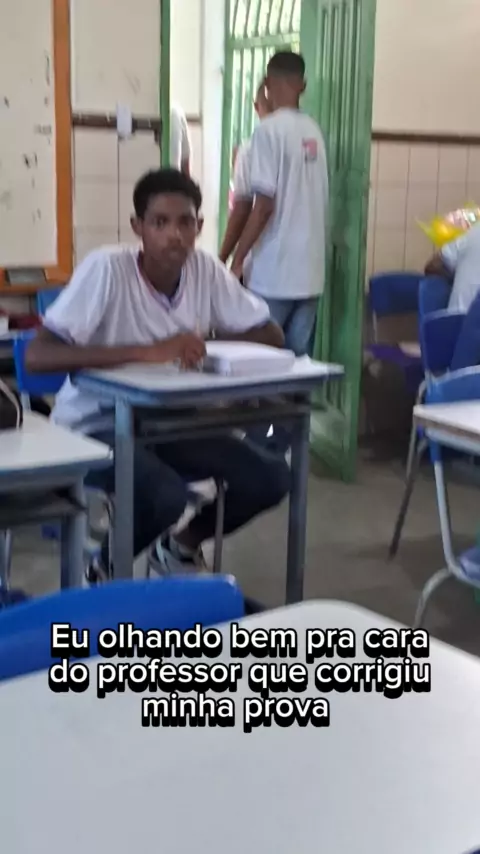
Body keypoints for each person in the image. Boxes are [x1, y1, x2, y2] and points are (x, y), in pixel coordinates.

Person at [26, 169, 290, 578]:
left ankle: (180, 546)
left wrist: (209, 345)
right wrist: (150, 352)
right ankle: (105, 569)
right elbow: (38, 356)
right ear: (138, 227)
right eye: (160, 222)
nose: (174, 236)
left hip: (168, 426)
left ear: (199, 226)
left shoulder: (204, 270)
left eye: (185, 223)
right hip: (93, 428)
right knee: (164, 493)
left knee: (269, 477)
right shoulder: (107, 269)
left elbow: (270, 333)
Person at [229, 50, 329, 360]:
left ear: (268, 83)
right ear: (303, 85)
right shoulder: (313, 130)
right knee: (299, 364)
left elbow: (263, 206)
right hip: (310, 274)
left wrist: (238, 259)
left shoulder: (266, 132)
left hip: (273, 274)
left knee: (260, 361)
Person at [219, 82, 272, 274]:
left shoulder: (249, 150)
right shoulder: (307, 145)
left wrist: (224, 259)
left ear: (256, 107)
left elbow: (242, 209)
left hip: (260, 263)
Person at [425, 221, 480, 312]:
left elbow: (433, 266)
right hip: (463, 317)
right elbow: (432, 267)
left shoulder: (474, 231)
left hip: (455, 317)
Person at [170, 103, 192, 176]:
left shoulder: (176, 112)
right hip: (174, 179)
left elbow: (185, 158)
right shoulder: (176, 111)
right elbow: (186, 160)